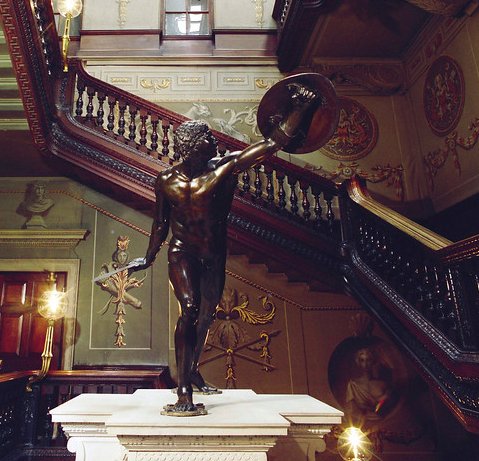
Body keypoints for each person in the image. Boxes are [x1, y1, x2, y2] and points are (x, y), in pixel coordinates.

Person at [129, 76, 337, 414]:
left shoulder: (224, 167)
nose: (215, 141)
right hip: (181, 251)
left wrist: (301, 107)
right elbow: (161, 223)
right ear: (195, 146)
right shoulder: (165, 180)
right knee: (191, 309)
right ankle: (182, 391)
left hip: (212, 254)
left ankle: (192, 372)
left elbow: (271, 145)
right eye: (209, 138)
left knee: (207, 315)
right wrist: (149, 255)